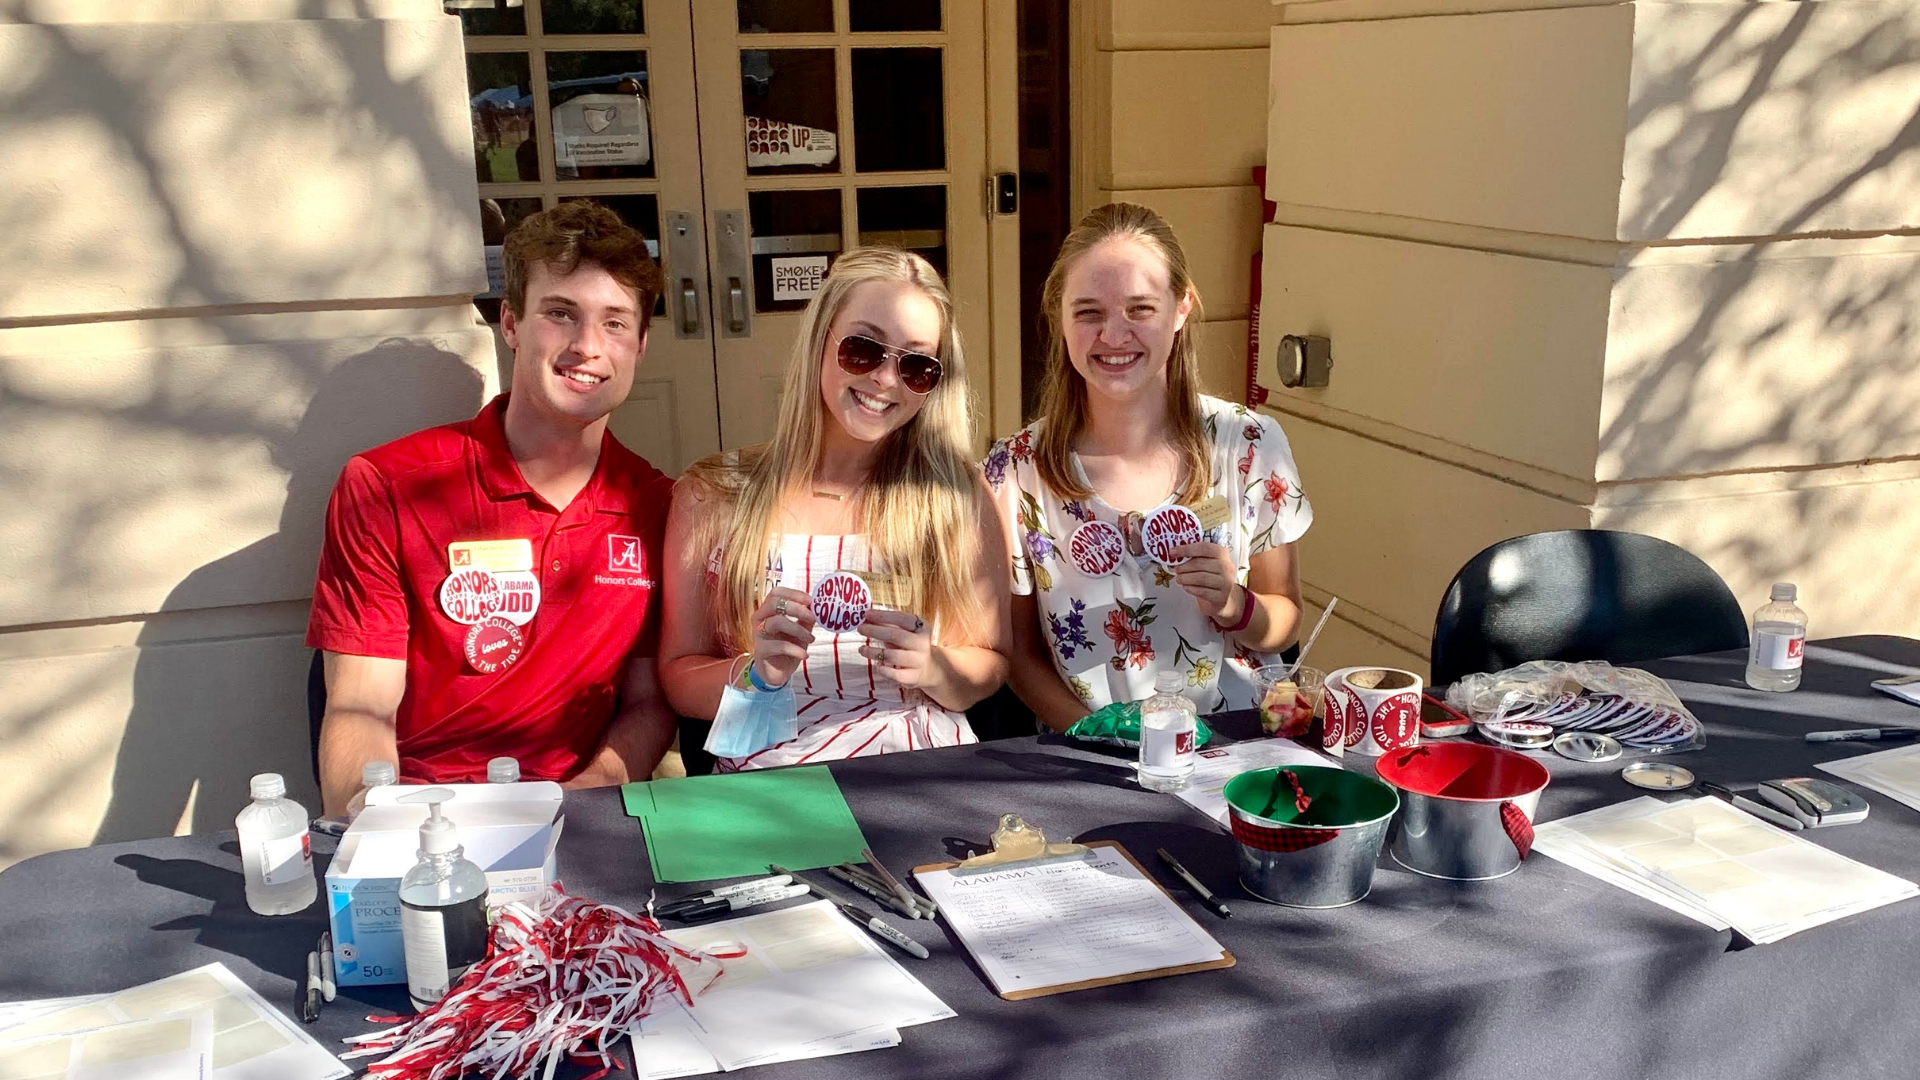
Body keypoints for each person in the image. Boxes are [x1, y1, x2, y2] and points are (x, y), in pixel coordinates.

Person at [306, 202, 679, 813]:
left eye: (615, 323)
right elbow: (361, 707)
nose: (587, 347)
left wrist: (582, 800)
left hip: (581, 812)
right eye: (560, 314)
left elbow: (648, 701)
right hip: (430, 821)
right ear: (511, 323)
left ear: (640, 344)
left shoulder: (658, 504)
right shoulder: (387, 486)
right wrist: (380, 841)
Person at [659, 248, 1009, 770]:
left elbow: (991, 661)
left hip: (915, 767)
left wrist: (936, 668)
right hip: (765, 767)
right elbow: (678, 676)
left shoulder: (953, 494)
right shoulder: (714, 493)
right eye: (863, 349)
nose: (886, 380)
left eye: (917, 365)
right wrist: (757, 672)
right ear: (819, 341)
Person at [986, 203, 1313, 730]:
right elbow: (1018, 654)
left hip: (1233, 751)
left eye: (1140, 309)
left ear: (1181, 308)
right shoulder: (1017, 472)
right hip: (1091, 758)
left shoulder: (1249, 445)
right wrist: (1092, 735)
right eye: (1089, 312)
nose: (1114, 335)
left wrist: (1235, 605)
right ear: (1059, 318)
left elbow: (1287, 618)